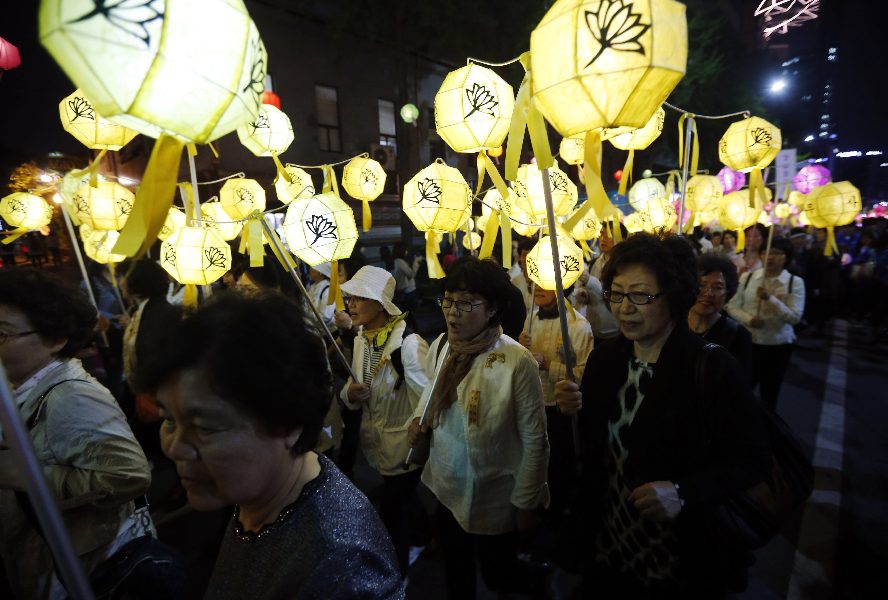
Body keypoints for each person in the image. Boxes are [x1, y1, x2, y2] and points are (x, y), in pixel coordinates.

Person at [147, 291, 403, 599]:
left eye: (205, 428)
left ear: (289, 423)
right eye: (169, 419)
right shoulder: (260, 493)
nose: (175, 448)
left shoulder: (343, 569)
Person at [554, 233, 770, 598]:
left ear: (674, 296)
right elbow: (594, 451)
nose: (624, 308)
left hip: (680, 554)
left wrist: (684, 492)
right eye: (616, 294)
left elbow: (754, 459)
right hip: (608, 543)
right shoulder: (605, 359)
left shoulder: (712, 367)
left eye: (640, 295)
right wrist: (573, 409)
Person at [0, 268, 155, 599]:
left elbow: (128, 475)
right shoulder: (21, 386)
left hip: (87, 564)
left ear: (56, 339)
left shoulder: (72, 395)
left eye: (2, 334)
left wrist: (32, 478)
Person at [408, 256, 549, 600]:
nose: (453, 313)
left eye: (467, 303)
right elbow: (429, 395)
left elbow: (535, 440)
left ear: (493, 309)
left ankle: (541, 583)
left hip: (495, 495)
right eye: (448, 301)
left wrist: (526, 503)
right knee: (456, 572)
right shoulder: (443, 346)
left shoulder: (516, 361)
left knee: (498, 573)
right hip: (446, 484)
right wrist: (417, 421)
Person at [340, 266, 429, 576]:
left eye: (359, 298)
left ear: (380, 303)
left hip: (404, 447)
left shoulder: (408, 344)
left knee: (393, 511)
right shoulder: (361, 338)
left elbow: (426, 401)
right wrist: (350, 393)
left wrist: (420, 432)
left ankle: (398, 575)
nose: (351, 304)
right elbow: (351, 384)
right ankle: (423, 537)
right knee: (403, 500)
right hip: (377, 443)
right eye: (350, 298)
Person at [519, 284, 593, 518]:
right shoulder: (530, 319)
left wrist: (549, 365)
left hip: (560, 409)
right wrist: (519, 349)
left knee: (559, 463)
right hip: (531, 403)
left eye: (546, 284)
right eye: (536, 283)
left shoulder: (579, 326)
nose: (539, 289)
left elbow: (584, 376)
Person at [727, 237, 806, 410]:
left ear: (786, 257)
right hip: (748, 343)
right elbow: (731, 306)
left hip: (777, 346)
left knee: (769, 394)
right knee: (742, 390)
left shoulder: (794, 283)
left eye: (777, 253)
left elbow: (794, 318)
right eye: (766, 252)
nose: (770, 257)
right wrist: (748, 319)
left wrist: (771, 299)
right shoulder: (748, 277)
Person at [688, 255, 753, 378]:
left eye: (718, 287)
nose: (708, 293)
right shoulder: (674, 322)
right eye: (702, 285)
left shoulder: (738, 335)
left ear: (728, 292)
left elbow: (739, 383)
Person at [390, 242, 420, 313]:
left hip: (407, 290)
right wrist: (416, 262)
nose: (407, 252)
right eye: (406, 250)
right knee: (412, 312)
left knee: (410, 312)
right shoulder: (400, 261)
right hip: (409, 290)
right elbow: (411, 274)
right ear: (401, 250)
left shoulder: (398, 261)